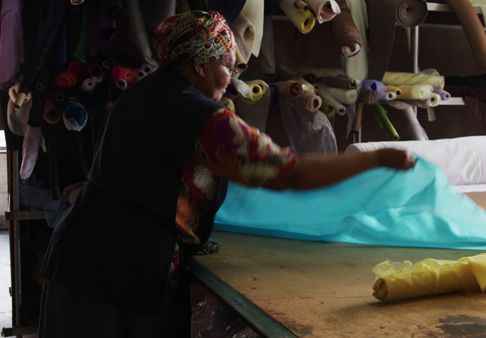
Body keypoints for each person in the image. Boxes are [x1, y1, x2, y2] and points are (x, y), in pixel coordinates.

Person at [38, 10, 415, 338]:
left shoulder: (142, 93)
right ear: (200, 66)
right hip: (122, 272)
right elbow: (289, 173)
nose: (231, 79)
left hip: (79, 256)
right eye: (227, 67)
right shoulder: (204, 117)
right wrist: (373, 159)